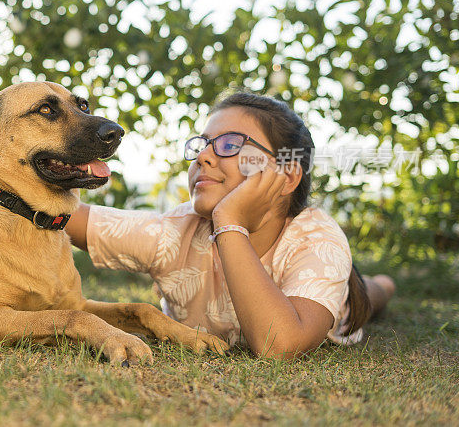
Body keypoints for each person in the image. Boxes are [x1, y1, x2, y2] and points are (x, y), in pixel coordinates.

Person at [65, 92, 396, 358]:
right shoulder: (177, 229)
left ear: (288, 175)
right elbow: (64, 216)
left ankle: (381, 285)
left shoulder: (317, 238)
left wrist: (230, 223)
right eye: (202, 144)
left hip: (327, 300)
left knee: (367, 296)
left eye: (229, 144)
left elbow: (279, 344)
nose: (203, 157)